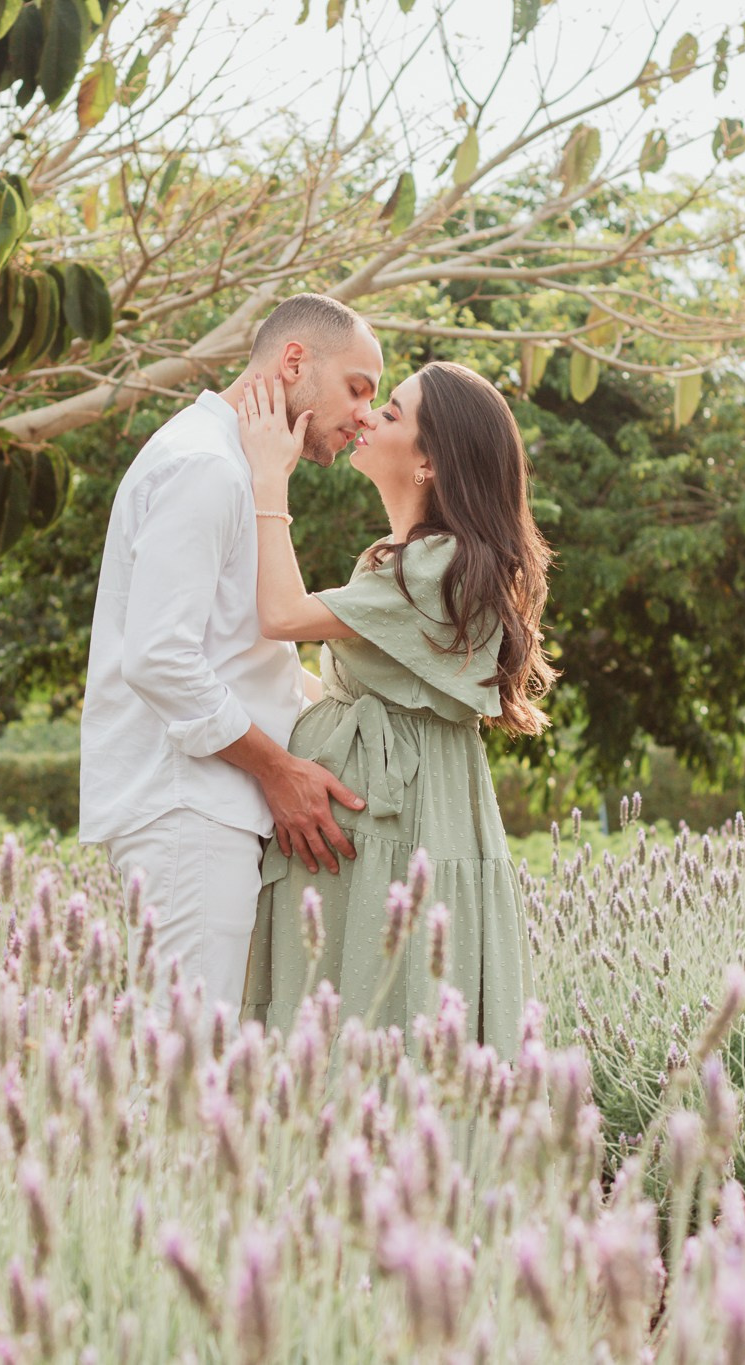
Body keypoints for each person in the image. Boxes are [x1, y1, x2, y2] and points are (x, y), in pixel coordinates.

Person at [80, 294, 384, 1024]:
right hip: (188, 809)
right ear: (293, 362)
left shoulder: (233, 463)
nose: (366, 415)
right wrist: (278, 771)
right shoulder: (205, 466)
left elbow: (240, 657)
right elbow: (158, 659)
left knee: (205, 1070)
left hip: (208, 807)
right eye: (358, 387)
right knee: (181, 1069)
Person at [237, 360, 554, 1052]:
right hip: (396, 824)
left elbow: (283, 613)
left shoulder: (435, 564)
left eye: (393, 412)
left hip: (403, 830)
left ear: (430, 463)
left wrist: (269, 477)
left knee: (382, 1026)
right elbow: (364, 693)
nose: (369, 416)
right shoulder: (416, 562)